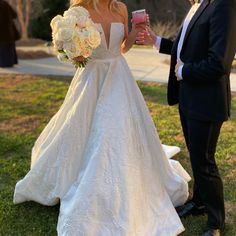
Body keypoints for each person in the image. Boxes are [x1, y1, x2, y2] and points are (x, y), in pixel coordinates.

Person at [13, 0, 191, 235]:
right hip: (90, 79)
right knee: (81, 128)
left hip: (119, 76)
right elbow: (74, 56)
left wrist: (136, 33)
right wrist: (74, 51)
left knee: (118, 129)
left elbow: (122, 48)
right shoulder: (79, 12)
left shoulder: (120, 8)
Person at [137, 0, 236, 235]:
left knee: (205, 160)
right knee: (196, 154)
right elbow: (186, 49)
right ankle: (199, 202)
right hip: (189, 97)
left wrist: (183, 71)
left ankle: (216, 223)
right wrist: (157, 41)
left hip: (207, 100)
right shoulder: (199, 5)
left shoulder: (225, 5)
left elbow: (219, 62)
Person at [0, 0, 19, 67]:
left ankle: (4, 63)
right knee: (9, 47)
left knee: (3, 48)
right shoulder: (5, 3)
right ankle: (10, 62)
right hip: (9, 31)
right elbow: (15, 15)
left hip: (2, 32)